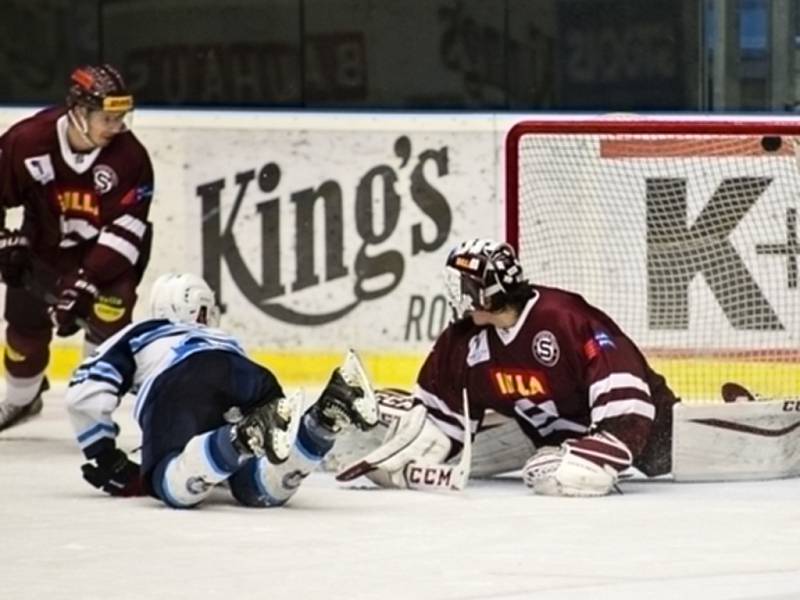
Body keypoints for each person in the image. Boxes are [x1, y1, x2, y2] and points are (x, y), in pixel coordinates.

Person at [338, 238, 679, 497]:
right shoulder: (465, 339)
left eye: (463, 286)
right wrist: (416, 448)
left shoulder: (566, 320)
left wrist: (597, 454)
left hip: (651, 434)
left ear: (484, 292)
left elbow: (626, 401)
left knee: (566, 475)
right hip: (544, 435)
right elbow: (441, 416)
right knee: (400, 412)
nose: (457, 295)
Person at [66, 272, 378, 508]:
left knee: (170, 483)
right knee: (255, 486)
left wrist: (103, 454)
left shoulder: (142, 332)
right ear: (200, 311)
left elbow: (86, 392)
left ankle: (242, 436)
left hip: (184, 377)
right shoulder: (223, 339)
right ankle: (324, 418)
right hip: (252, 377)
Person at [0, 64, 154, 431]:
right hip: (43, 250)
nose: (117, 127)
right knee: (23, 331)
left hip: (108, 259)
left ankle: (90, 403)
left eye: (122, 117)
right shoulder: (26, 141)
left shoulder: (130, 157)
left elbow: (128, 228)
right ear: (79, 112)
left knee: (108, 321)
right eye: (107, 117)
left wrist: (87, 281)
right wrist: (4, 242)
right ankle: (22, 399)